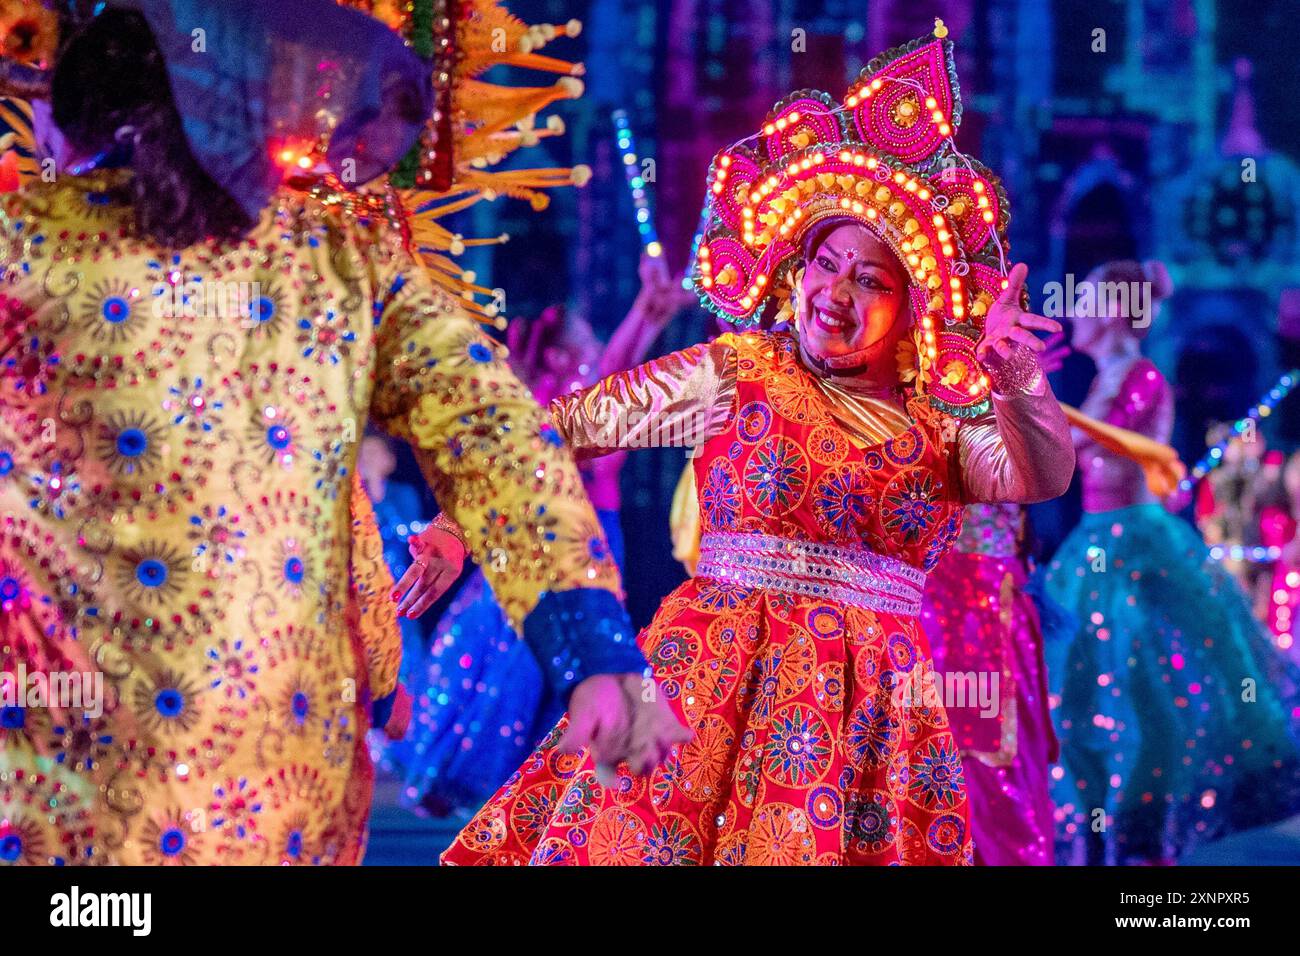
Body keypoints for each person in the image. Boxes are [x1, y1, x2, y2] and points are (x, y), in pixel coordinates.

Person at [0, 0, 681, 865]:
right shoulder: (339, 264)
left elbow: (488, 435)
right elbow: (494, 435)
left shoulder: (21, 251)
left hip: (59, 785)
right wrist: (590, 644)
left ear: (79, 111)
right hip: (270, 797)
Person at [443, 24, 1075, 866]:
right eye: (824, 263)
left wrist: (1018, 384)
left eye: (872, 280)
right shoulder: (734, 372)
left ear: (914, 308)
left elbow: (1041, 477)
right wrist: (458, 527)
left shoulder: (941, 422)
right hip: (709, 688)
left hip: (874, 720)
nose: (835, 294)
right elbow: (565, 428)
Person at [389, 255, 692, 814]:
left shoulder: (599, 390)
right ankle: (516, 786)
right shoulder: (554, 403)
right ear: (554, 348)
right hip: (549, 540)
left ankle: (554, 784)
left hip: (598, 541)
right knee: (518, 661)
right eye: (577, 337)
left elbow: (620, 373)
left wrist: (646, 318)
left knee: (559, 663)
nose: (586, 343)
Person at [1043, 259, 1300, 865]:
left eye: (1084, 300)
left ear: (1110, 311)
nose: (1074, 311)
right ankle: (1105, 818)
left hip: (1137, 544)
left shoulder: (1141, 377)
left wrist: (1034, 402)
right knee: (1091, 680)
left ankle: (1145, 822)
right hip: (1093, 539)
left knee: (1145, 679)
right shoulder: (1103, 380)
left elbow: (1096, 439)